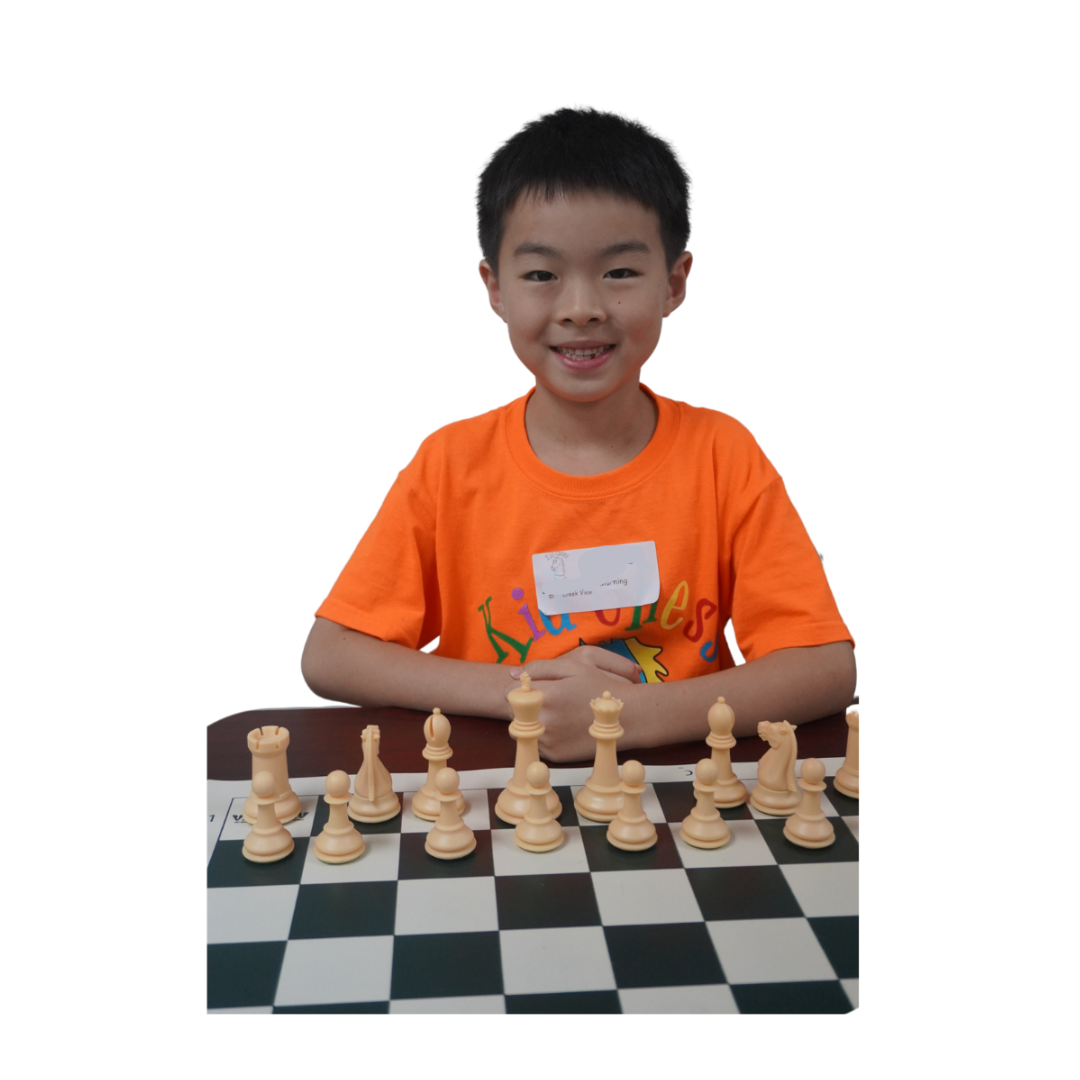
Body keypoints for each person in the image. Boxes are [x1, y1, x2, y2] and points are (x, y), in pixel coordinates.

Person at [300, 103, 856, 763]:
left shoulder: (723, 454)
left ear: (675, 283)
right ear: (494, 288)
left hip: (680, 795)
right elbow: (329, 654)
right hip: (495, 798)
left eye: (620, 272)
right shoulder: (450, 463)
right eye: (542, 275)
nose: (582, 308)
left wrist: (643, 715)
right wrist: (519, 692)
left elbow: (826, 668)